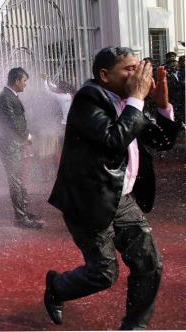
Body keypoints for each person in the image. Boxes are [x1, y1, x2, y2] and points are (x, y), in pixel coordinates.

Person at [45, 47, 181, 330]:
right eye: (128, 69)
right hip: (90, 201)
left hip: (123, 198)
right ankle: (58, 286)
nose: (137, 74)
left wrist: (163, 103)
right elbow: (112, 140)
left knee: (149, 264)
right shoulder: (88, 98)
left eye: (137, 67)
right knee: (104, 273)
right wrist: (137, 99)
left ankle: (134, 326)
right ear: (105, 75)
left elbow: (161, 142)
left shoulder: (129, 102)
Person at [0, 67, 43, 229]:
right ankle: (21, 218)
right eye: (24, 81)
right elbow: (12, 123)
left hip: (15, 145)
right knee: (15, 181)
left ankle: (23, 212)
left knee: (19, 180)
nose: (25, 85)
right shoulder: (5, 98)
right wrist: (27, 136)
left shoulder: (10, 96)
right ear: (16, 81)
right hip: (10, 146)